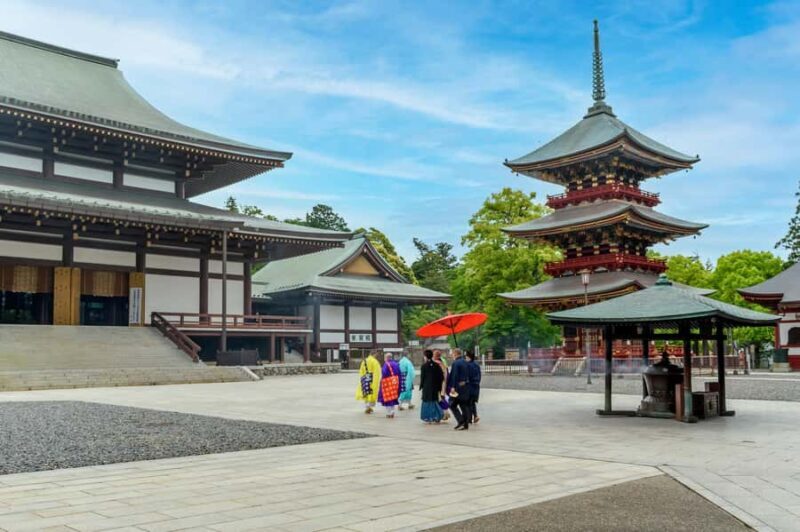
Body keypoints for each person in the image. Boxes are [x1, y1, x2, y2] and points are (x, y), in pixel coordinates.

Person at [447, 348, 472, 430]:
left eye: (452, 353)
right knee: (463, 405)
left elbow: (454, 375)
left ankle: (461, 421)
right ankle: (465, 424)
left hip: (457, 387)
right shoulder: (466, 362)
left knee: (452, 405)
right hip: (465, 386)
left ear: (455, 353)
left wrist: (453, 387)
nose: (451, 355)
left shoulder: (456, 363)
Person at [419, 349, 444, 423]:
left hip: (427, 387)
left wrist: (421, 386)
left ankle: (428, 417)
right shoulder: (436, 365)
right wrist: (439, 386)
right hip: (435, 387)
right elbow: (441, 377)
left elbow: (422, 378)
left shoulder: (424, 366)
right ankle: (437, 416)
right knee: (434, 400)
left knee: (427, 401)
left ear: (426, 357)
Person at [378, 353, 402, 418]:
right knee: (393, 397)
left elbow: (384, 373)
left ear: (386, 358)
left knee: (387, 398)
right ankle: (392, 411)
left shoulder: (386, 364)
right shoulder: (396, 364)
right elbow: (399, 374)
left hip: (387, 383)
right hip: (395, 383)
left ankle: (389, 413)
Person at [432, 350, 450, 421]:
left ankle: (443, 414)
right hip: (443, 384)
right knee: (441, 398)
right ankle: (445, 413)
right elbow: (446, 374)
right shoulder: (443, 362)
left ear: (435, 356)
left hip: (438, 385)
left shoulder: (437, 363)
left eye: (433, 355)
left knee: (439, 399)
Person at [466, 351, 481, 424]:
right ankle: (475, 416)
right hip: (476, 385)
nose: (465, 358)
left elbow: (467, 376)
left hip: (470, 385)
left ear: (469, 357)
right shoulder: (476, 364)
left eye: (466, 357)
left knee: (468, 402)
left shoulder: (468, 365)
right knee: (472, 402)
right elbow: (479, 375)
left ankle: (469, 419)